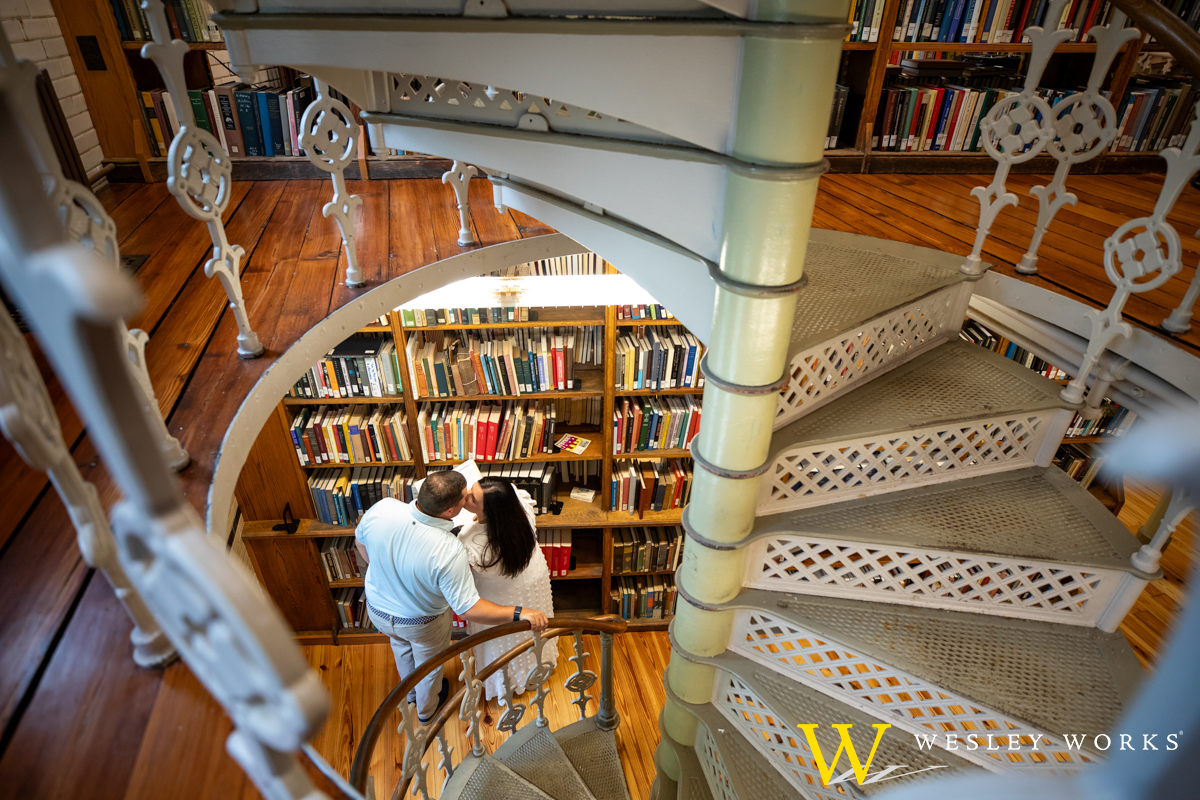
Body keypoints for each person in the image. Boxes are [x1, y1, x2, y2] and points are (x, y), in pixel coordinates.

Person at [354, 471, 548, 723]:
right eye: (463, 498)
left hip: (377, 609)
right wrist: (519, 613)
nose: (467, 499)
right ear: (449, 512)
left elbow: (360, 541)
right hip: (420, 621)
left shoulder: (383, 507)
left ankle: (410, 694)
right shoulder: (449, 549)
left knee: (400, 646)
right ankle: (426, 712)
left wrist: (384, 570)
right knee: (429, 665)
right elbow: (467, 609)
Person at [459, 477, 556, 700]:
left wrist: (476, 523)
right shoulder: (519, 509)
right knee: (533, 625)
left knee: (501, 639)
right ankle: (537, 666)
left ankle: (507, 681)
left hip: (498, 595)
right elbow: (516, 491)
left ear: (492, 512)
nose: (466, 497)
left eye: (473, 498)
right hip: (531, 580)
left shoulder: (468, 539)